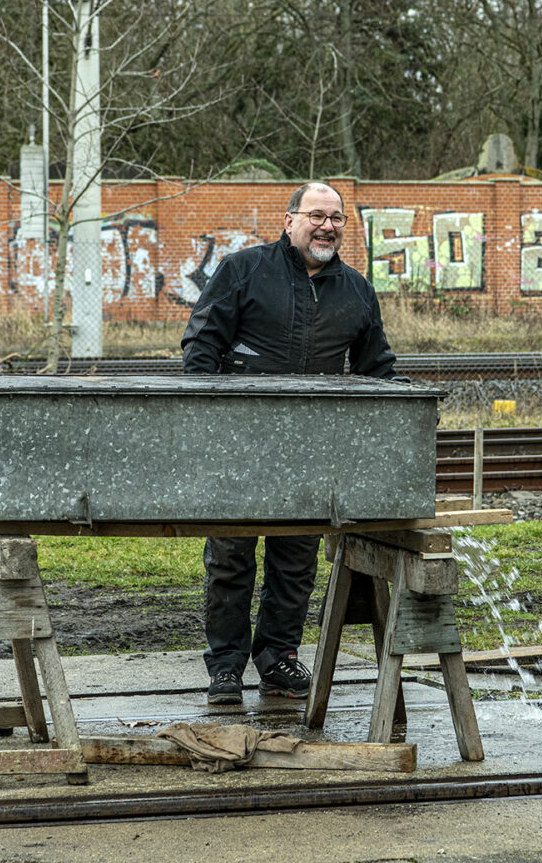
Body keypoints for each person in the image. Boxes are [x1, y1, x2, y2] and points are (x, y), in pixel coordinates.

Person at [181, 182, 396, 705]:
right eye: (317, 215)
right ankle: (226, 667)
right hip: (239, 446)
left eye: (338, 218)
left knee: (296, 558)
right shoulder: (244, 270)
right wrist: (209, 424)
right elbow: (201, 347)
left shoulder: (357, 291)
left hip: (311, 451)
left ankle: (279, 659)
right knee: (230, 556)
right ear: (289, 220)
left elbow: (377, 371)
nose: (328, 226)